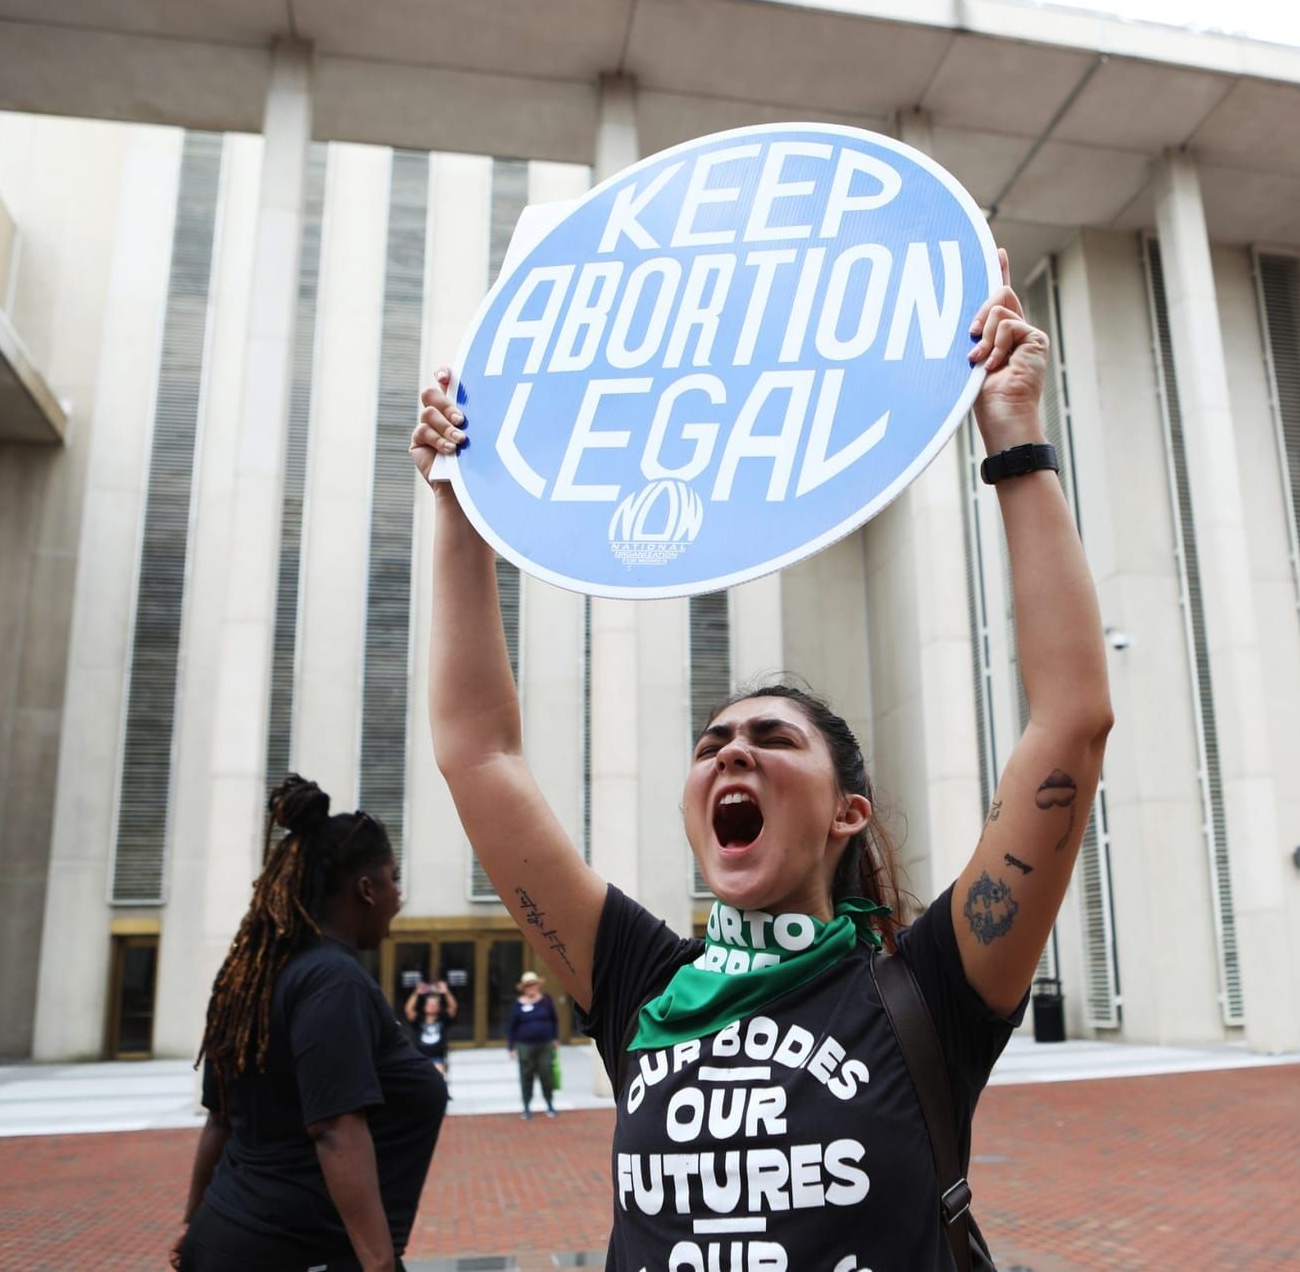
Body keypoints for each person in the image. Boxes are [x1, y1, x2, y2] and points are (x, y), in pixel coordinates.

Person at [409, 251, 1111, 1267]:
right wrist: (457, 506)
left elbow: (1070, 722)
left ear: (846, 812)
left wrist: (1012, 434)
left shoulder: (929, 989)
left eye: (771, 737)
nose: (729, 747)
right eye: (711, 742)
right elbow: (477, 753)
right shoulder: (640, 983)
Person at [173, 775, 448, 1272]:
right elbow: (336, 1130)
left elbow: (219, 1120)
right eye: (393, 877)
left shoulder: (249, 979)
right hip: (300, 1252)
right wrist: (381, 1265)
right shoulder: (333, 981)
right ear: (367, 889)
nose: (399, 896)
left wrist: (193, 1223)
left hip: (222, 1237)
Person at [506, 970, 560, 1118]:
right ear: (523, 988)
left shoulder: (546, 1000)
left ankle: (549, 1104)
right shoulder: (517, 1005)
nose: (531, 988)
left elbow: (554, 1020)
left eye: (534, 984)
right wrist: (511, 1046)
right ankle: (526, 1106)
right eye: (528, 985)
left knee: (546, 1074)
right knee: (526, 1076)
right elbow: (511, 1027)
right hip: (525, 1046)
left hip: (545, 1044)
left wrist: (555, 1038)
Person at [403, 981, 459, 1077]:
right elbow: (408, 1010)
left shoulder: (443, 1019)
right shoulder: (418, 1019)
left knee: (437, 1074)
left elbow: (453, 1007)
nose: (432, 1006)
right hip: (419, 1057)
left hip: (437, 1058)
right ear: (424, 1006)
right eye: (429, 1004)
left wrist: (446, 992)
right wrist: (416, 993)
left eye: (435, 1004)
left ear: (439, 1007)